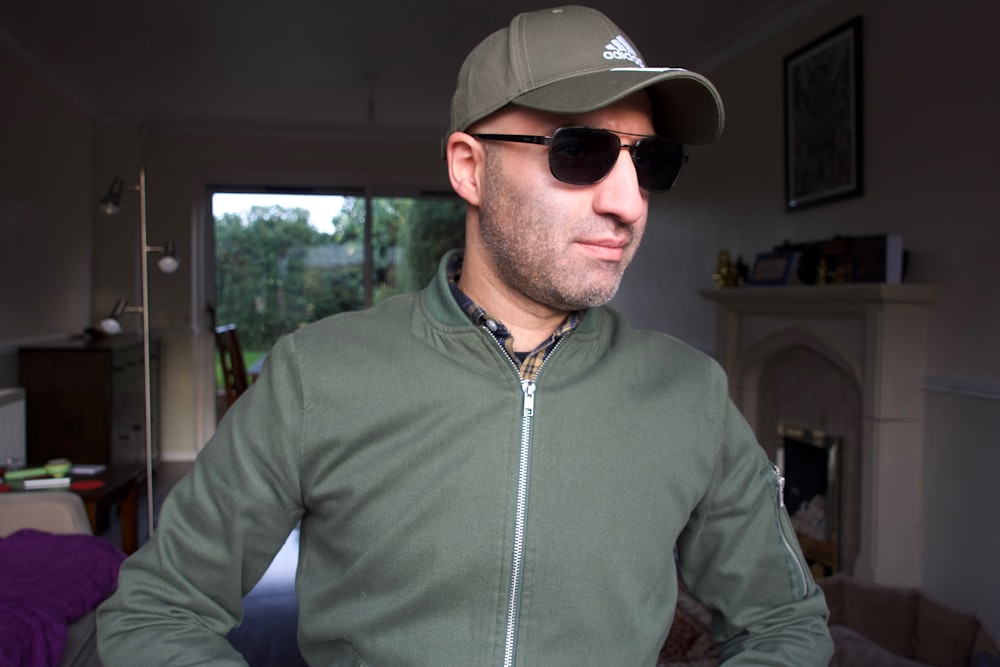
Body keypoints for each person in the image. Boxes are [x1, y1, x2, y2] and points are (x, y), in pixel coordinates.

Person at [98, 6, 833, 665]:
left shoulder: (690, 395)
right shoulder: (315, 377)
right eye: (580, 152)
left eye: (650, 160)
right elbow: (154, 613)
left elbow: (786, 623)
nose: (628, 200)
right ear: (469, 167)